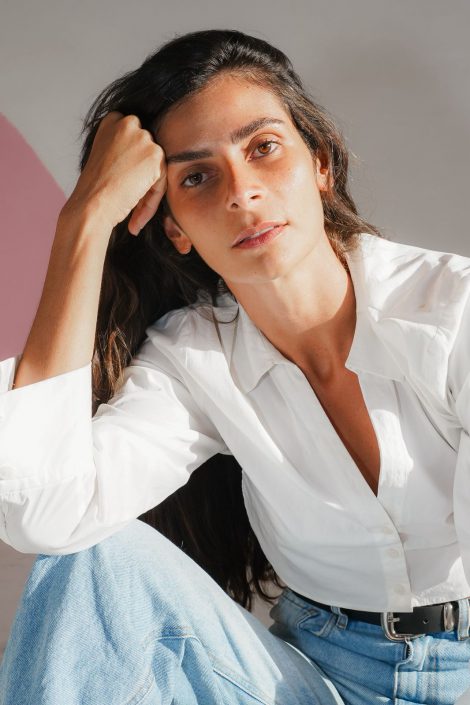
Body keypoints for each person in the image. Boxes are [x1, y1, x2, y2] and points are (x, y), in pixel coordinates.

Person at [0, 27, 470, 705]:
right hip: (309, 682)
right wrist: (85, 220)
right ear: (175, 228)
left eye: (263, 148)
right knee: (92, 554)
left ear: (320, 165)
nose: (241, 193)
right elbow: (44, 515)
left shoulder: (450, 311)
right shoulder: (194, 358)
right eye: (197, 176)